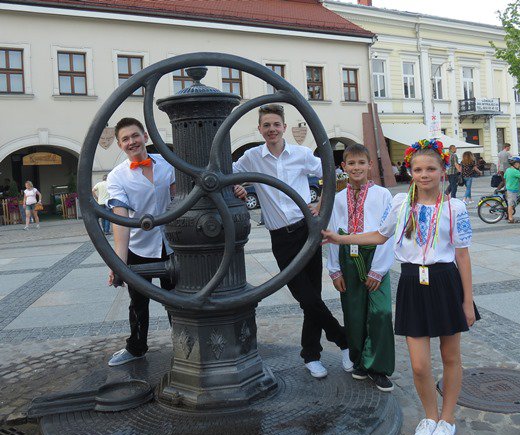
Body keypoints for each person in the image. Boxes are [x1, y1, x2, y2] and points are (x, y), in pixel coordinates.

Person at [323, 139, 480, 435]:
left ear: (442, 171)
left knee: (450, 357)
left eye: (431, 169)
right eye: (418, 169)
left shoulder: (454, 207)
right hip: (411, 283)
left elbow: (462, 257)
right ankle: (430, 415)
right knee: (420, 364)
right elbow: (380, 235)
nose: (424, 175)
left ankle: (447, 420)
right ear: (410, 171)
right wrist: (340, 240)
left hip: (445, 282)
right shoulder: (400, 204)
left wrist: (467, 302)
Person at [106, 117, 247, 367]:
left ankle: (186, 346)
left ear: (146, 137)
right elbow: (120, 219)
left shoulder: (167, 166)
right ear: (119, 145)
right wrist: (119, 262)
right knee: (138, 302)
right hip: (140, 247)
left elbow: (186, 197)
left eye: (135, 136)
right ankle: (136, 347)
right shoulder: (117, 177)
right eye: (125, 139)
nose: (131, 142)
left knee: (179, 300)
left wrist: (232, 191)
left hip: (174, 244)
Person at [233, 104, 351, 379]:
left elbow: (337, 176)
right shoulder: (252, 157)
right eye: (266, 125)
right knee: (306, 297)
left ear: (284, 127)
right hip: (281, 239)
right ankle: (344, 340)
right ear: (260, 129)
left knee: (313, 298)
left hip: (307, 231)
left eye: (276, 124)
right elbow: (225, 174)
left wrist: (320, 203)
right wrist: (236, 186)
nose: (271, 129)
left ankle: (311, 355)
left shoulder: (301, 154)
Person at [326, 144, 395, 392]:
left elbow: (388, 234)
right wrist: (334, 270)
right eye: (351, 163)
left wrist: (379, 269)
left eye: (361, 163)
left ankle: (379, 367)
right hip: (347, 258)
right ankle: (360, 362)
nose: (356, 168)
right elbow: (334, 234)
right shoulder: (337, 198)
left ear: (370, 165)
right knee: (354, 313)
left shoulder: (383, 195)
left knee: (380, 313)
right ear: (343, 167)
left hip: (375, 255)